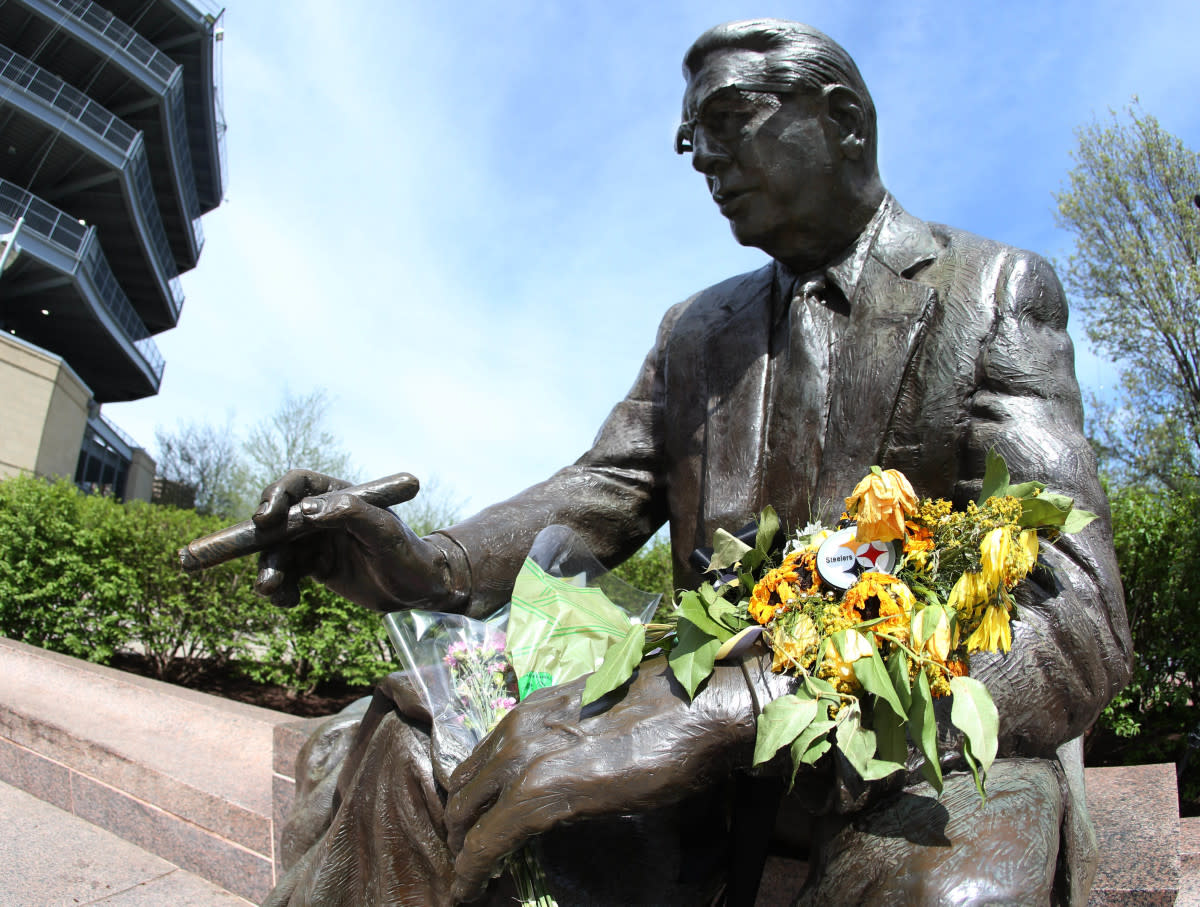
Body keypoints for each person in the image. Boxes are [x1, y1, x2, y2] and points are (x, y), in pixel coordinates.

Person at [259, 19, 1131, 906]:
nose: (701, 158)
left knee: (952, 899)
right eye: (688, 138)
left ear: (845, 121)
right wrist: (423, 561)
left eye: (726, 120)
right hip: (696, 754)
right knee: (417, 748)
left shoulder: (992, 293)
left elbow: (1077, 605)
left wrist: (744, 697)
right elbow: (595, 490)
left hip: (914, 753)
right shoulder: (695, 330)